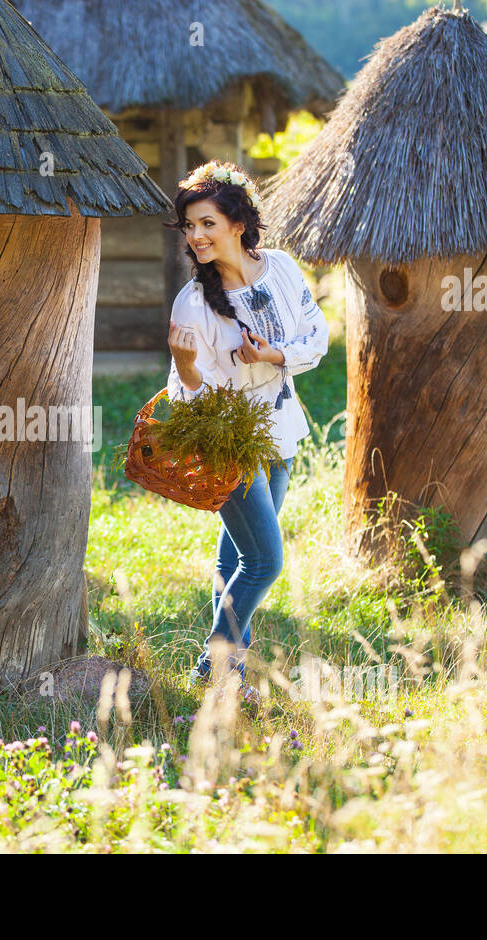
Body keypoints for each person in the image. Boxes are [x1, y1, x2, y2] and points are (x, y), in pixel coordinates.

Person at [165, 161, 328, 695]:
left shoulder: (280, 269)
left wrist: (275, 353)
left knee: (236, 557)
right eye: (190, 226)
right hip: (227, 443)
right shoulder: (192, 303)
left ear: (237, 223)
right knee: (264, 560)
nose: (196, 236)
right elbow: (187, 398)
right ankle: (212, 666)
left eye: (206, 223)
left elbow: (317, 340)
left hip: (278, 433)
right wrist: (187, 368)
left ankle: (227, 677)